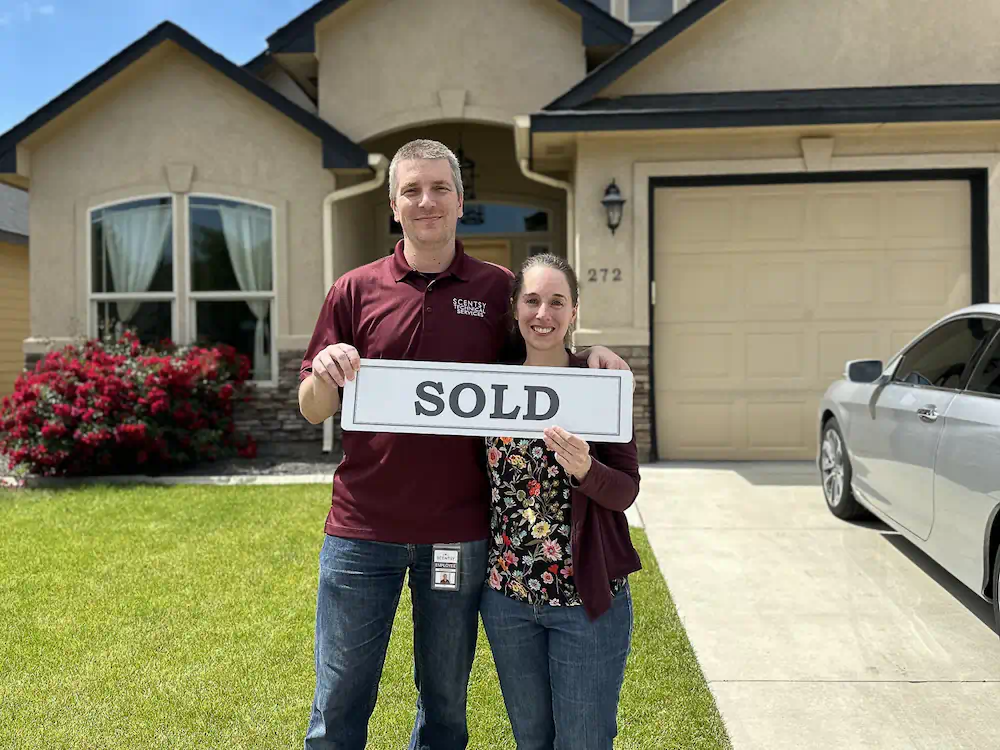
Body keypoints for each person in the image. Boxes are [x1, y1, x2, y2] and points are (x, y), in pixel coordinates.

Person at [297, 139, 629, 750]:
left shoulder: (496, 289)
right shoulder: (353, 290)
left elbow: (539, 355)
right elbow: (312, 405)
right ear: (394, 205)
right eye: (412, 190)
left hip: (457, 535)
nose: (426, 201)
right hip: (360, 531)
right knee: (340, 693)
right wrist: (325, 370)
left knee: (445, 697)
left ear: (459, 201)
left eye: (439, 188)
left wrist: (591, 360)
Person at [480, 253, 642, 750]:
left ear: (575, 311)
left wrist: (586, 470)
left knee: (585, 741)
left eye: (557, 301)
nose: (543, 314)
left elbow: (627, 489)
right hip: (508, 598)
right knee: (531, 741)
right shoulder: (489, 387)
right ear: (514, 308)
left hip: (584, 602)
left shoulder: (601, 384)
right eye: (531, 300)